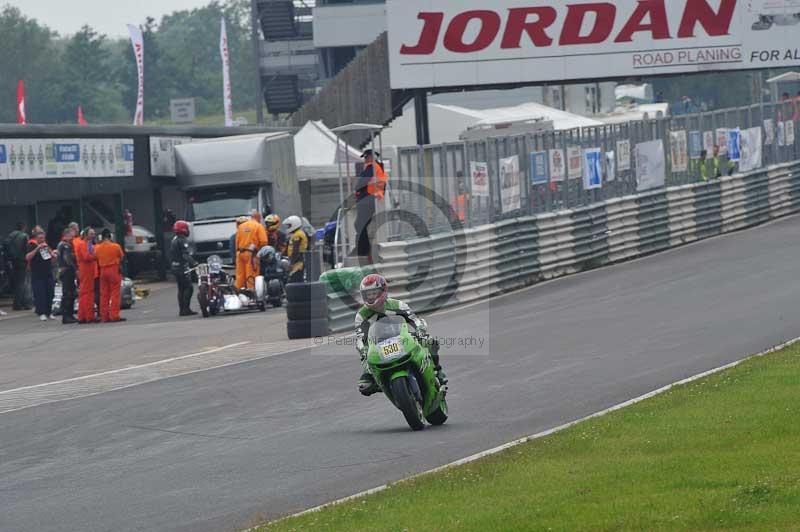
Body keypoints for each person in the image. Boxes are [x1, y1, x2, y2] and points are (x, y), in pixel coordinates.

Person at [354, 274, 447, 396]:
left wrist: (420, 330)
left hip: (403, 338)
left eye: (374, 293)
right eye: (368, 294)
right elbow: (361, 338)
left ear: (383, 291)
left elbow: (415, 320)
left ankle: (438, 371)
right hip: (378, 345)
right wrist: (364, 351)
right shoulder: (361, 315)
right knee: (364, 369)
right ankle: (375, 379)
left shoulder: (398, 305)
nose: (371, 297)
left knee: (430, 341)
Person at [354, 149, 388, 260]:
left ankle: (363, 251)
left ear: (371, 157)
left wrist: (357, 189)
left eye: (366, 157)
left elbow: (361, 183)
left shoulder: (371, 167)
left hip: (368, 199)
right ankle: (365, 250)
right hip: (374, 199)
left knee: (360, 225)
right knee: (361, 225)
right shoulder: (379, 167)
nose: (365, 159)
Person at [94, 229, 125, 323]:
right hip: (114, 269)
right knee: (115, 293)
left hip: (103, 270)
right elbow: (122, 257)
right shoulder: (116, 246)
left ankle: (104, 316)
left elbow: (95, 257)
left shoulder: (97, 248)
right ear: (110, 236)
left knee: (104, 294)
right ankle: (114, 315)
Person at [25, 230, 56, 321]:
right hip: (37, 274)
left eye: (43, 238)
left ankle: (49, 312)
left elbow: (53, 259)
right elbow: (27, 257)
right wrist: (37, 248)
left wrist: (52, 253)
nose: (42, 240)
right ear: (36, 238)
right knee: (40, 294)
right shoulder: (31, 245)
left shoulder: (46, 246)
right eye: (40, 238)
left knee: (50, 293)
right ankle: (41, 312)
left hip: (48, 272)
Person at [170, 220, 198, 317]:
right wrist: (194, 263)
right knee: (188, 287)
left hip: (175, 266)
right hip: (181, 267)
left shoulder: (174, 239)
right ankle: (185, 309)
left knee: (181, 288)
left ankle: (182, 309)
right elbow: (185, 255)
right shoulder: (182, 240)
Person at [235, 210, 268, 290]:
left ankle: (238, 292)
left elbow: (237, 242)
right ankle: (251, 293)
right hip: (252, 254)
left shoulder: (241, 226)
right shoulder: (258, 226)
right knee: (251, 275)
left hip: (240, 253)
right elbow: (264, 241)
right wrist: (260, 251)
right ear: (258, 218)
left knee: (240, 275)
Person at [75, 227, 98, 324]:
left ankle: (83, 316)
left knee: (85, 293)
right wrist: (96, 256)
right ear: (86, 235)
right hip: (86, 269)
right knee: (87, 293)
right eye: (91, 234)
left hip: (87, 269)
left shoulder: (86, 244)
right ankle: (88, 316)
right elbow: (86, 257)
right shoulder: (82, 244)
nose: (93, 236)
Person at [56, 228, 78, 324]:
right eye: (72, 235)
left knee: (70, 293)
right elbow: (67, 259)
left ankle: (69, 315)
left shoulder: (62, 245)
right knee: (68, 293)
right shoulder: (65, 245)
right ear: (67, 235)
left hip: (64, 271)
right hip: (67, 271)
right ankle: (67, 315)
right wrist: (75, 268)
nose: (73, 237)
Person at [7, 223, 30, 310]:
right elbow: (26, 249)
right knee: (23, 283)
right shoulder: (24, 236)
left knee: (17, 283)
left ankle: (17, 303)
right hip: (22, 261)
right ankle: (22, 303)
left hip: (13, 261)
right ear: (24, 227)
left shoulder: (11, 235)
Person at [284, 215, 308, 284]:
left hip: (298, 262)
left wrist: (291, 263)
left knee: (295, 280)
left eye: (289, 225)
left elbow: (295, 250)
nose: (288, 227)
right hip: (297, 260)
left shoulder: (297, 235)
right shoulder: (297, 234)